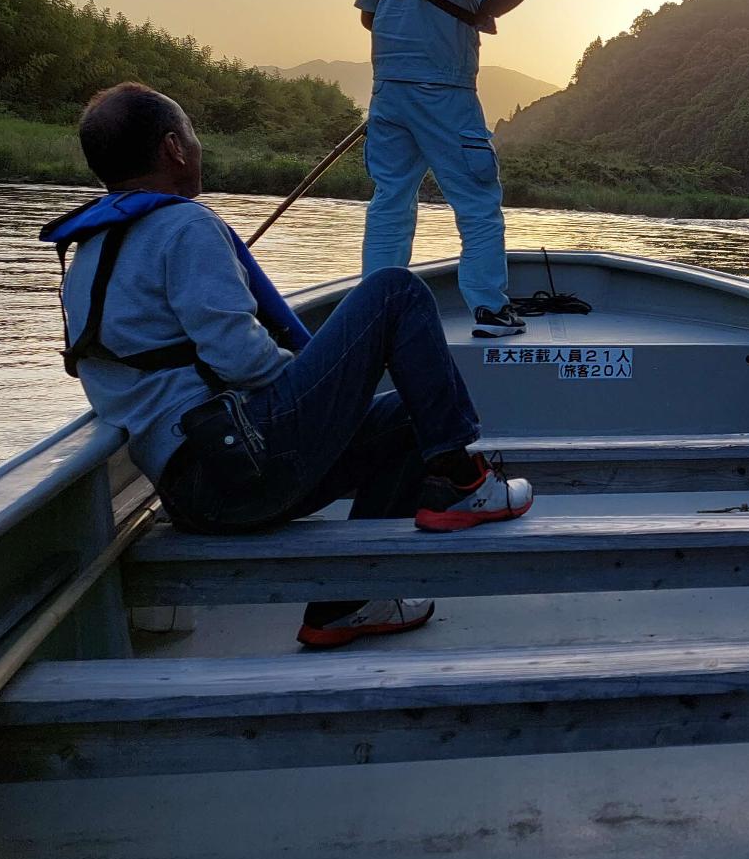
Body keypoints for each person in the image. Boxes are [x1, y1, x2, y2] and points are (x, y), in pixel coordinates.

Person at [41, 83, 534, 649]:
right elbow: (242, 359)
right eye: (194, 135)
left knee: (405, 416)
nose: (199, 147)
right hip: (240, 469)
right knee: (395, 291)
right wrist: (317, 382)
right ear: (174, 148)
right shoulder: (185, 227)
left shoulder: (86, 254)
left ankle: (349, 603)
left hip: (196, 492)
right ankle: (464, 481)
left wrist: (322, 396)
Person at [356, 0, 583, 337]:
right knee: (477, 201)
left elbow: (369, 16)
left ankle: (373, 314)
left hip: (388, 91)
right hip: (445, 89)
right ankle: (490, 310)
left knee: (390, 198)